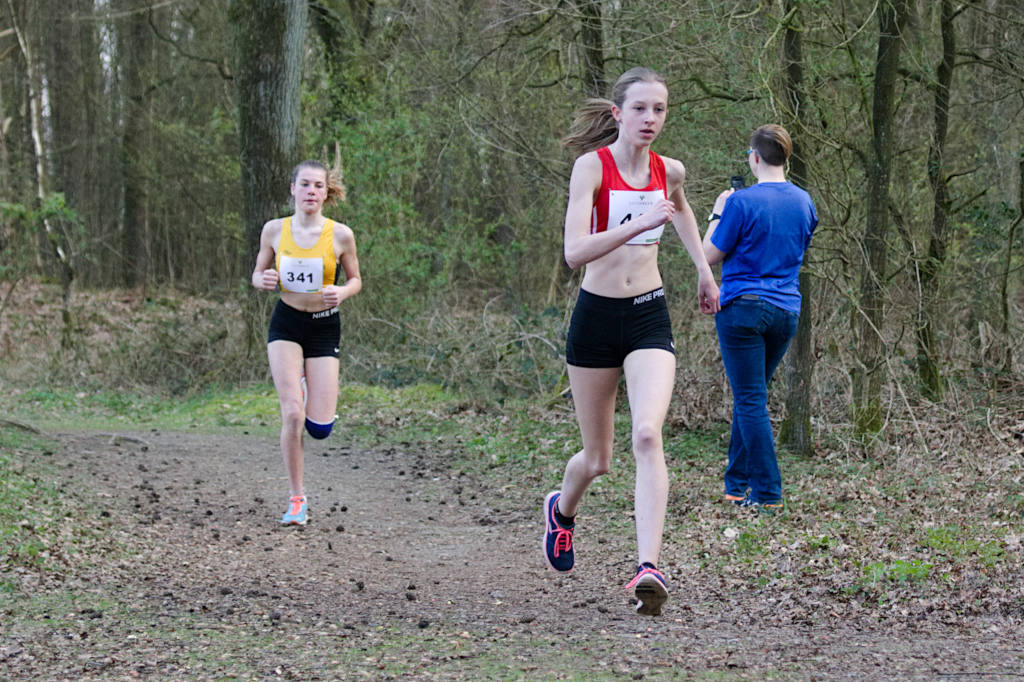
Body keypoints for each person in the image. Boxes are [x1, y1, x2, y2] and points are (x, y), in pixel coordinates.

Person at [542, 67, 720, 616]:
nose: (651, 119)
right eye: (640, 109)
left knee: (647, 434)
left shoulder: (670, 171)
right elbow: (574, 252)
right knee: (597, 459)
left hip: (648, 315)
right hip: (595, 318)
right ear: (618, 114)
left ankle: (648, 567)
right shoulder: (590, 168)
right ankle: (562, 511)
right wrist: (639, 220)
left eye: (660, 110)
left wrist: (702, 269)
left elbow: (683, 211)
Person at [702, 124, 817, 512]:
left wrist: (718, 212)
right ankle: (735, 484)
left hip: (744, 308)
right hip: (786, 310)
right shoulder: (805, 202)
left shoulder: (740, 202)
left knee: (751, 399)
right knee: (751, 396)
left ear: (753, 157)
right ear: (785, 157)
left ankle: (767, 493)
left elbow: (709, 255)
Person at [251, 160, 362, 526]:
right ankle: (297, 499)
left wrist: (341, 292)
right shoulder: (273, 230)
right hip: (286, 322)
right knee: (293, 414)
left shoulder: (341, 235)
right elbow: (258, 273)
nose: (311, 191)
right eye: (305, 184)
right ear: (293, 189)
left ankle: (309, 387)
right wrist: (263, 280)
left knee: (320, 428)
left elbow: (356, 279)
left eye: (318, 186)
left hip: (324, 325)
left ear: (326, 194)